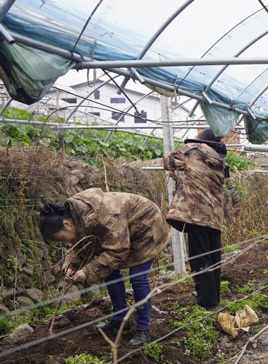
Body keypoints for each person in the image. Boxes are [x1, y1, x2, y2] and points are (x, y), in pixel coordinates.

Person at [38, 189, 170, 346]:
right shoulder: (76, 215)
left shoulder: (104, 217)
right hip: (121, 233)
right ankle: (120, 320)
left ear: (66, 224)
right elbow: (80, 244)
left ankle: (143, 328)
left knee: (138, 278)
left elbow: (118, 251)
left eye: (61, 239)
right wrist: (70, 266)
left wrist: (87, 271)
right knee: (109, 272)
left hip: (147, 226)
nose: (65, 243)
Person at [164, 128, 232, 310]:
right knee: (213, 256)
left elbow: (169, 160)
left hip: (195, 213)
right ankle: (213, 295)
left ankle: (206, 300)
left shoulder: (192, 150)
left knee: (199, 257)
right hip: (214, 215)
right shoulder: (218, 160)